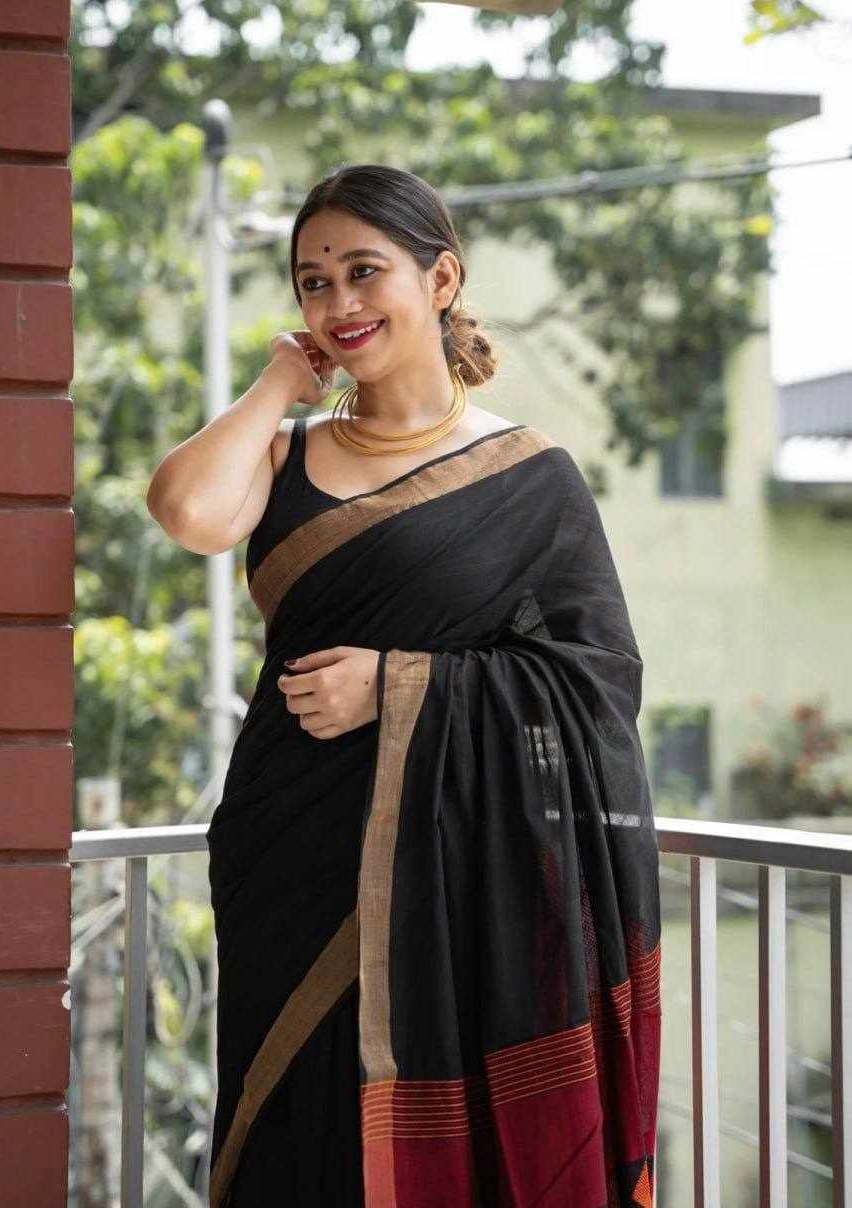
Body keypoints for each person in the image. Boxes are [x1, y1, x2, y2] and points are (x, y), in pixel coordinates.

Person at [148, 162, 662, 1207]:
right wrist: (277, 383)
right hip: (292, 857)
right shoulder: (284, 453)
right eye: (312, 281)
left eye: (363, 270)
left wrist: (399, 684)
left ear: (440, 278)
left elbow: (597, 682)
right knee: (291, 1137)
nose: (337, 302)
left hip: (454, 882)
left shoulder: (530, 477)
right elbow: (187, 513)